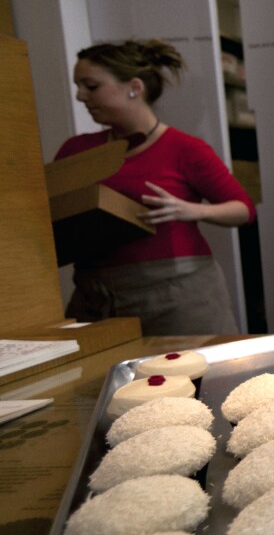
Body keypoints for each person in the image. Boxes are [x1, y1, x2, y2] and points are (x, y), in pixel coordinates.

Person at [54, 38, 255, 335]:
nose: (81, 96)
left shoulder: (185, 149)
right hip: (94, 300)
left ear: (134, 86)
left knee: (197, 379)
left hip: (177, 300)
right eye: (78, 86)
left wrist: (189, 210)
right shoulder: (76, 151)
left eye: (91, 86)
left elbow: (243, 210)